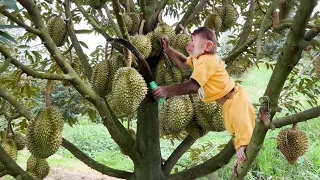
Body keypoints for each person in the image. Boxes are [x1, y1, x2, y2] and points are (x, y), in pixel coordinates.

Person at [152, 26, 255, 176]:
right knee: (236, 133)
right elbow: (183, 63)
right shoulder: (198, 58)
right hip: (226, 103)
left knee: (244, 134)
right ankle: (241, 159)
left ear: (207, 46)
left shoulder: (207, 61)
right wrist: (168, 50)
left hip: (236, 99)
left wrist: (166, 91)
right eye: (191, 39)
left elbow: (193, 85)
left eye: (194, 40)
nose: (190, 43)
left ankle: (244, 153)